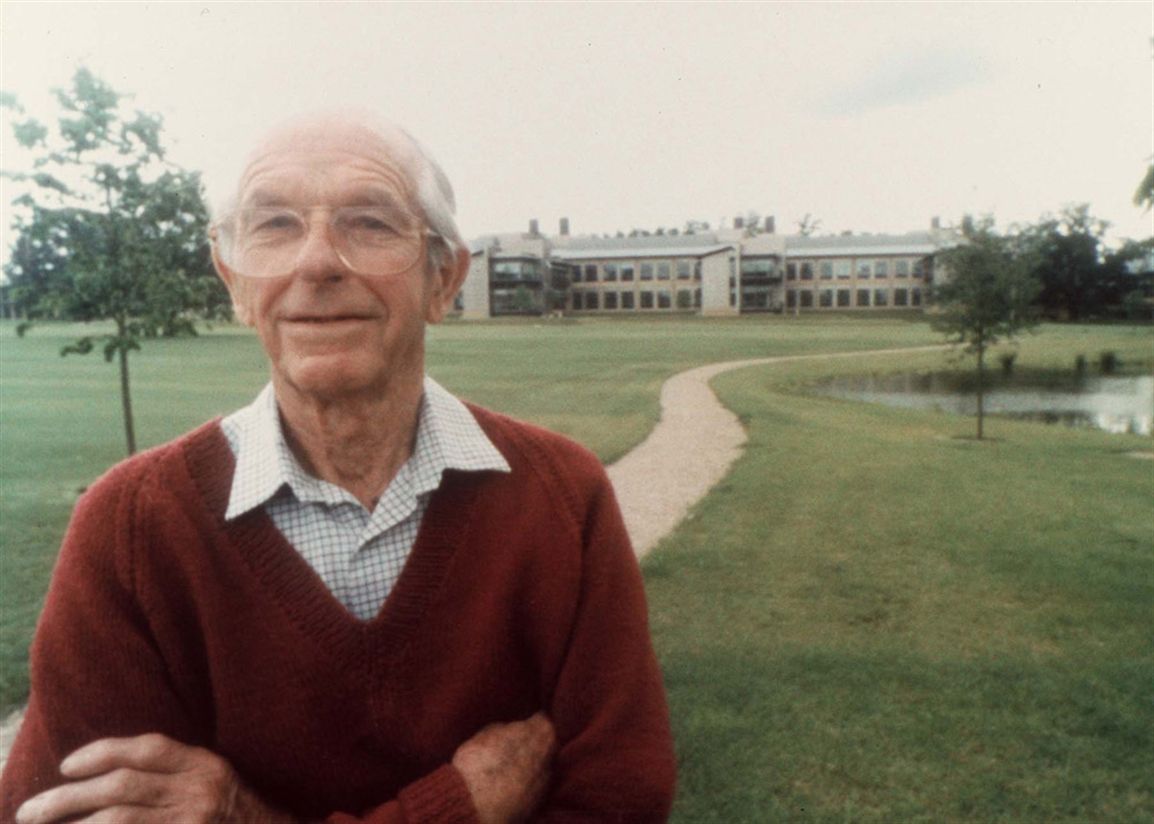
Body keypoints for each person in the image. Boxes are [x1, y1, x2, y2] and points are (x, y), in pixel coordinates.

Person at [1, 112, 676, 823]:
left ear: (443, 278)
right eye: (276, 225)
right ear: (233, 281)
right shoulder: (131, 530)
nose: (317, 262)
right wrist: (458, 807)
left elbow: (619, 801)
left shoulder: (561, 499)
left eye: (370, 223)